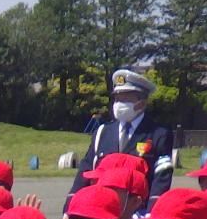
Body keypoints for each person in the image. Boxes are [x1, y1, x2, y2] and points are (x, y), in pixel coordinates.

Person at [70, 69, 175, 201]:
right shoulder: (103, 132)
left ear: (142, 102)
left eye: (126, 98)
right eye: (117, 98)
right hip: (104, 206)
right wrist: (71, 204)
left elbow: (161, 178)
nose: (119, 103)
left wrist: (151, 210)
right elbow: (86, 170)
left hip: (137, 207)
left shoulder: (158, 134)